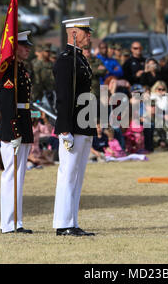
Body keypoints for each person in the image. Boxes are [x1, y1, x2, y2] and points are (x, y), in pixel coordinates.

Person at [52, 17, 96, 237]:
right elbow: (64, 97)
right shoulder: (66, 60)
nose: (90, 36)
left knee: (77, 176)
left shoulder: (79, 59)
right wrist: (65, 128)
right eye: (86, 32)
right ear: (74, 34)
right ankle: (62, 223)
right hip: (73, 124)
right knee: (68, 174)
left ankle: (72, 220)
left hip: (84, 122)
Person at [0, 31, 34, 234]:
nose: (28, 48)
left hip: (24, 122)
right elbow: (6, 102)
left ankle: (16, 221)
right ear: (14, 46)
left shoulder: (21, 68)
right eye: (23, 45)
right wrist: (14, 129)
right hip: (14, 127)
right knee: (11, 174)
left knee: (20, 175)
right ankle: (8, 223)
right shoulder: (8, 69)